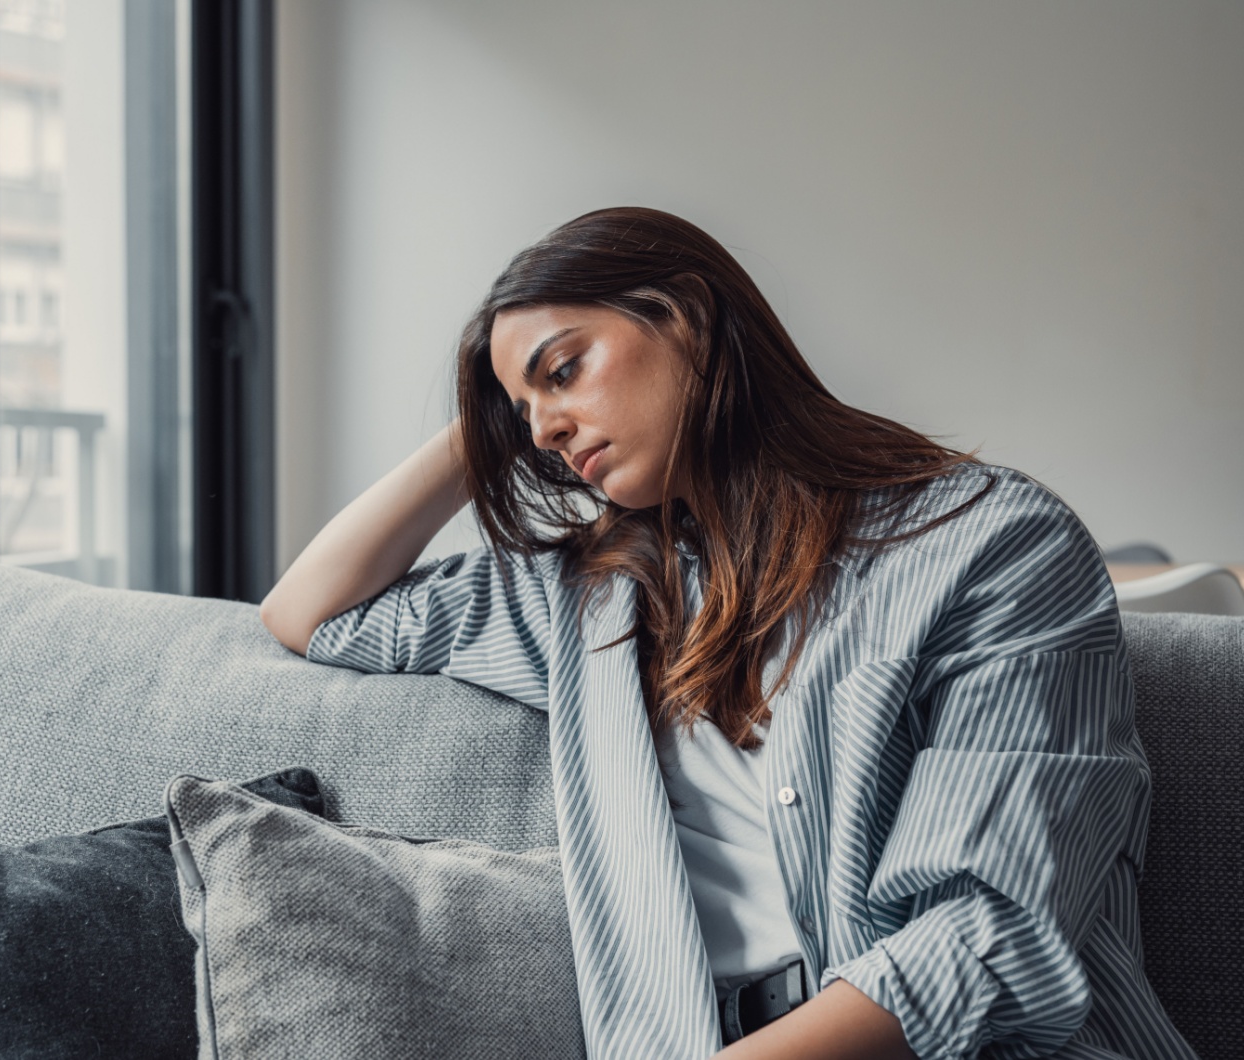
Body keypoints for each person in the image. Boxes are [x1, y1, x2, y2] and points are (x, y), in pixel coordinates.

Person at [260, 207, 1195, 1060]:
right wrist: (491, 413)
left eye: (564, 367)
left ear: (687, 319)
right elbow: (310, 610)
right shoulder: (587, 599)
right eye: (523, 411)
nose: (543, 430)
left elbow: (984, 937)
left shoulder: (994, 545)